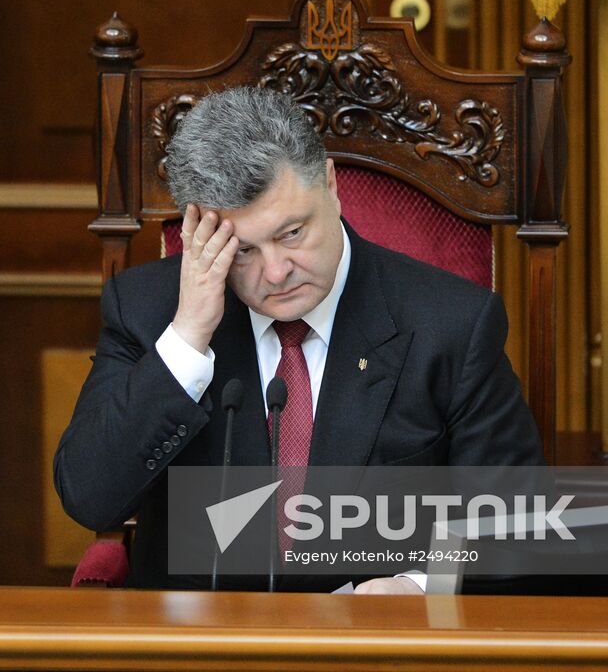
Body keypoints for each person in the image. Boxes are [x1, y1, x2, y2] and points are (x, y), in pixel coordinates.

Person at [54, 86, 543, 590]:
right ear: (197, 230)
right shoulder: (148, 311)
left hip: (373, 653)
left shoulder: (452, 324)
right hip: (202, 650)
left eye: (292, 233)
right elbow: (89, 497)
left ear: (330, 185)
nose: (276, 272)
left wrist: (420, 584)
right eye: (242, 250)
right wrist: (188, 338)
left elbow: (516, 526)